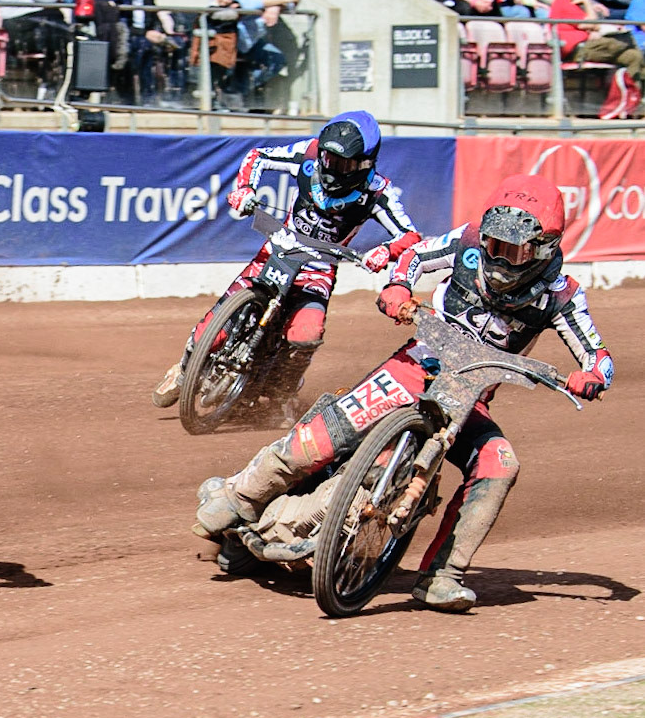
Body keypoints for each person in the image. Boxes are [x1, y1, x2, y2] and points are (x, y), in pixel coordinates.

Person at [194, 174, 611, 612]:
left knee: (500, 463)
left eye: (513, 250)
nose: (498, 257)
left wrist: (592, 375)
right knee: (323, 436)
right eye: (493, 244)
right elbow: (413, 256)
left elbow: (597, 353)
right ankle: (238, 496)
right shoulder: (465, 243)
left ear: (544, 249)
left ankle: (442, 576)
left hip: (470, 398)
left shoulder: (562, 296)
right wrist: (397, 286)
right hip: (417, 366)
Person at [153, 111, 422, 418]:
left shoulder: (378, 192)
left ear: (364, 164)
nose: (330, 168)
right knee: (212, 331)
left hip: (317, 269)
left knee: (305, 334)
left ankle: (283, 390)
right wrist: (245, 190)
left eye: (341, 164)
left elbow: (410, 235)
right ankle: (185, 370)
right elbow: (258, 157)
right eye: (327, 158)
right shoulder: (306, 154)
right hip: (277, 249)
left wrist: (385, 251)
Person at [551, 0, 644, 119]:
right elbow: (592, 24)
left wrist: (592, 27)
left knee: (634, 56)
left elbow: (590, 25)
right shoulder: (564, 1)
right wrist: (587, 3)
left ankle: (631, 104)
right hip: (578, 49)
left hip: (592, 45)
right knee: (621, 41)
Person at [96, 0, 181, 105]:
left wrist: (161, 31)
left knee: (179, 47)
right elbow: (117, 20)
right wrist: (144, 33)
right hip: (123, 36)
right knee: (143, 46)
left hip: (147, 33)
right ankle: (143, 97)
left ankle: (174, 95)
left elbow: (152, 14)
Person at [225, 0, 303, 98]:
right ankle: (227, 97)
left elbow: (289, 1)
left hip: (252, 39)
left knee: (277, 60)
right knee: (226, 73)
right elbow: (247, 3)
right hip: (229, 37)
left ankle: (241, 93)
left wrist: (275, 7)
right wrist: (280, 0)